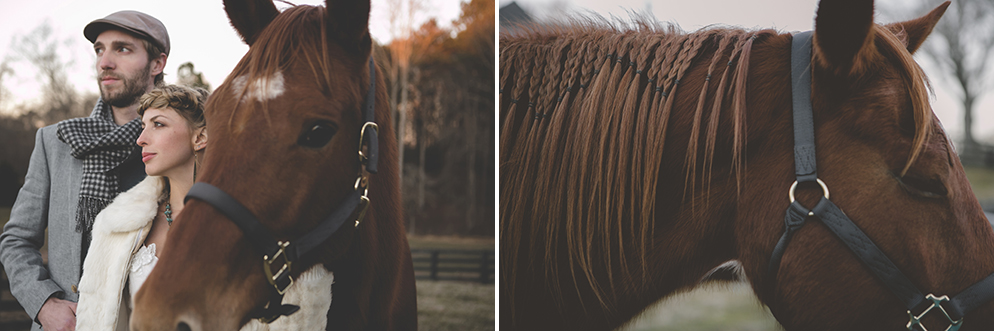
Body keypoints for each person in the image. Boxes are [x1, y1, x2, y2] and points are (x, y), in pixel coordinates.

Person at [0, 10, 169, 331]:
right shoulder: (55, 141)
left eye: (122, 49)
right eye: (99, 50)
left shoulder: (185, 143)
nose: (104, 62)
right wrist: (44, 303)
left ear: (157, 63)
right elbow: (16, 239)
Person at [74, 84, 208, 331]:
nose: (141, 139)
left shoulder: (247, 222)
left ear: (199, 137)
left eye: (158, 124)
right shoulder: (116, 226)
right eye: (143, 126)